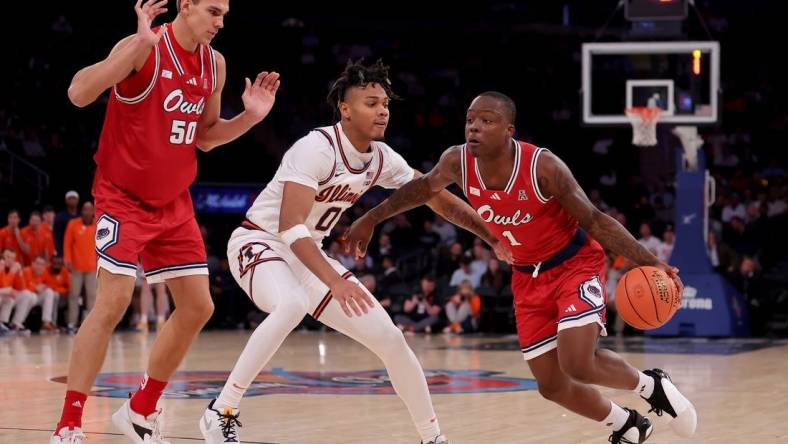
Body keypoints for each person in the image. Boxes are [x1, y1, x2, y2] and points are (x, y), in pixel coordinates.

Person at [347, 91, 697, 443]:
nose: (475, 128)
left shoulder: (543, 167)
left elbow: (594, 220)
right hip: (526, 275)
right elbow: (424, 190)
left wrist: (651, 261)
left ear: (508, 130)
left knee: (577, 362)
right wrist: (373, 218)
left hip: (573, 263)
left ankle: (651, 386)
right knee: (551, 385)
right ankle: (626, 424)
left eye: (487, 121)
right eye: (471, 120)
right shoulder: (457, 162)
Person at [200, 60, 507, 444]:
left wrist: (490, 236)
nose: (382, 111)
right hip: (259, 241)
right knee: (292, 304)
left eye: (385, 104)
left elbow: (434, 197)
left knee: (391, 340)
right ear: (345, 109)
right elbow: (291, 228)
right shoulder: (315, 148)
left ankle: (433, 438)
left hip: (308, 255)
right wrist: (334, 281)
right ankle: (221, 411)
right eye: (371, 103)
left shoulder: (382, 158)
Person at [52, 1, 280, 442]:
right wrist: (135, 44)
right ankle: (68, 424)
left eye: (225, 15)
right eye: (213, 11)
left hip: (173, 202)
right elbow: (78, 93)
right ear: (186, 5)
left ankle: (140, 409)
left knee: (199, 307)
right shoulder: (146, 47)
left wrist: (249, 118)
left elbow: (207, 138)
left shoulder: (215, 64)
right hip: (122, 197)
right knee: (113, 302)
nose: (220, 22)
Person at [63, 202, 97, 332]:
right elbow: (67, 243)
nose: (87, 212)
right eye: (85, 209)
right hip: (76, 266)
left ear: (93, 211)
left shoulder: (98, 224)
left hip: (92, 267)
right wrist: (67, 259)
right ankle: (71, 323)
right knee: (74, 295)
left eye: (90, 209)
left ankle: (91, 324)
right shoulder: (73, 224)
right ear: (82, 211)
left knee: (92, 296)